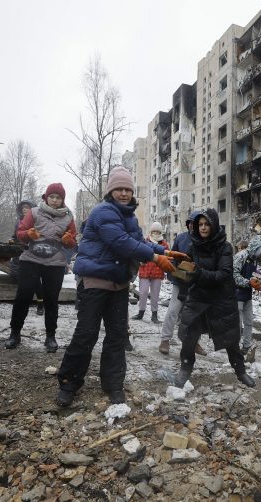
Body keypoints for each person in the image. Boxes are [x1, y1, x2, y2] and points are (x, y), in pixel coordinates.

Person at [56, 167, 184, 406]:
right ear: (110, 191)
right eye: (119, 189)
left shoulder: (129, 216)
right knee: (86, 334)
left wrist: (163, 250)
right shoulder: (103, 211)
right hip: (95, 281)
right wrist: (156, 259)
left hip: (118, 283)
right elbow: (121, 243)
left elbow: (137, 241)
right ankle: (69, 383)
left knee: (116, 335)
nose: (124, 193)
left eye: (128, 189)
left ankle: (113, 383)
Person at [173, 209, 256, 388]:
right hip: (198, 298)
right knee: (189, 336)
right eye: (200, 224)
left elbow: (223, 275)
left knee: (231, 340)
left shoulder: (225, 247)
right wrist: (175, 268)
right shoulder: (192, 246)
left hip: (222, 299)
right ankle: (185, 369)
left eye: (206, 224)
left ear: (214, 225)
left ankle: (240, 371)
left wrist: (198, 273)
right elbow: (186, 273)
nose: (203, 228)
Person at [5, 183, 77, 353]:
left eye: (58, 197)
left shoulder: (68, 217)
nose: (54, 200)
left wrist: (68, 240)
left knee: (51, 300)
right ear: (46, 197)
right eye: (52, 196)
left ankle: (50, 336)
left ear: (62, 200)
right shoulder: (34, 212)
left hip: (55, 263)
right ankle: (15, 333)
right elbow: (20, 234)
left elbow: (73, 243)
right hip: (31, 260)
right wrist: (28, 235)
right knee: (23, 296)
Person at [159, 211, 206, 356]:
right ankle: (165, 340)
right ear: (188, 224)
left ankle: (194, 342)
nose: (193, 226)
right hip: (180, 281)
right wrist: (176, 272)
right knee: (173, 310)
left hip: (197, 283)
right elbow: (172, 258)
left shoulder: (207, 241)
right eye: (191, 223)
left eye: (196, 223)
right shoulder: (181, 238)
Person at [233, 235, 261, 354]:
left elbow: (257, 274)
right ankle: (234, 347)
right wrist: (248, 282)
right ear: (257, 247)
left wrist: (258, 282)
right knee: (236, 324)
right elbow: (233, 275)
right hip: (237, 294)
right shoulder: (241, 256)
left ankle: (246, 345)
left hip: (247, 295)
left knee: (249, 322)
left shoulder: (256, 259)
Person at [9, 200, 44, 316]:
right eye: (23, 208)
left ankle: (40, 303)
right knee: (18, 278)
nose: (24, 209)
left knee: (35, 280)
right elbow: (15, 236)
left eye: (27, 208)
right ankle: (24, 303)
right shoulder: (18, 222)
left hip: (33, 252)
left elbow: (41, 237)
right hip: (19, 252)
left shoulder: (37, 221)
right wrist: (12, 240)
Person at [132, 221, 169, 324]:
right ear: (151, 231)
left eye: (158, 231)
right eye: (154, 231)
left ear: (161, 232)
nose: (156, 233)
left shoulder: (164, 244)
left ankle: (154, 315)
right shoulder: (145, 241)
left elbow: (167, 258)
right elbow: (139, 252)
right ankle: (141, 312)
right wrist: (140, 261)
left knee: (155, 295)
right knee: (143, 293)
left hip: (157, 273)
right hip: (145, 271)